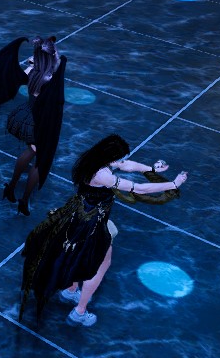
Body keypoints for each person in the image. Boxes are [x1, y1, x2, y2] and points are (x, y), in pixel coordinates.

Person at [18, 133, 186, 327]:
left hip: (78, 216)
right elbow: (139, 188)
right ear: (110, 157)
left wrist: (151, 169)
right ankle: (80, 311)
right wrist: (173, 184)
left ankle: (71, 291)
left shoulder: (93, 160)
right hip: (91, 224)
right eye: (119, 158)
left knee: (76, 257)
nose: (122, 161)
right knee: (98, 266)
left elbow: (127, 165)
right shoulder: (102, 175)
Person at [0, 36, 65, 215]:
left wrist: (39, 56)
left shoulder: (31, 71)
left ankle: (11, 187)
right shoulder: (50, 78)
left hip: (26, 116)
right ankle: (24, 201)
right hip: (40, 122)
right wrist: (55, 56)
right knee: (40, 161)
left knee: (31, 151)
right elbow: (56, 65)